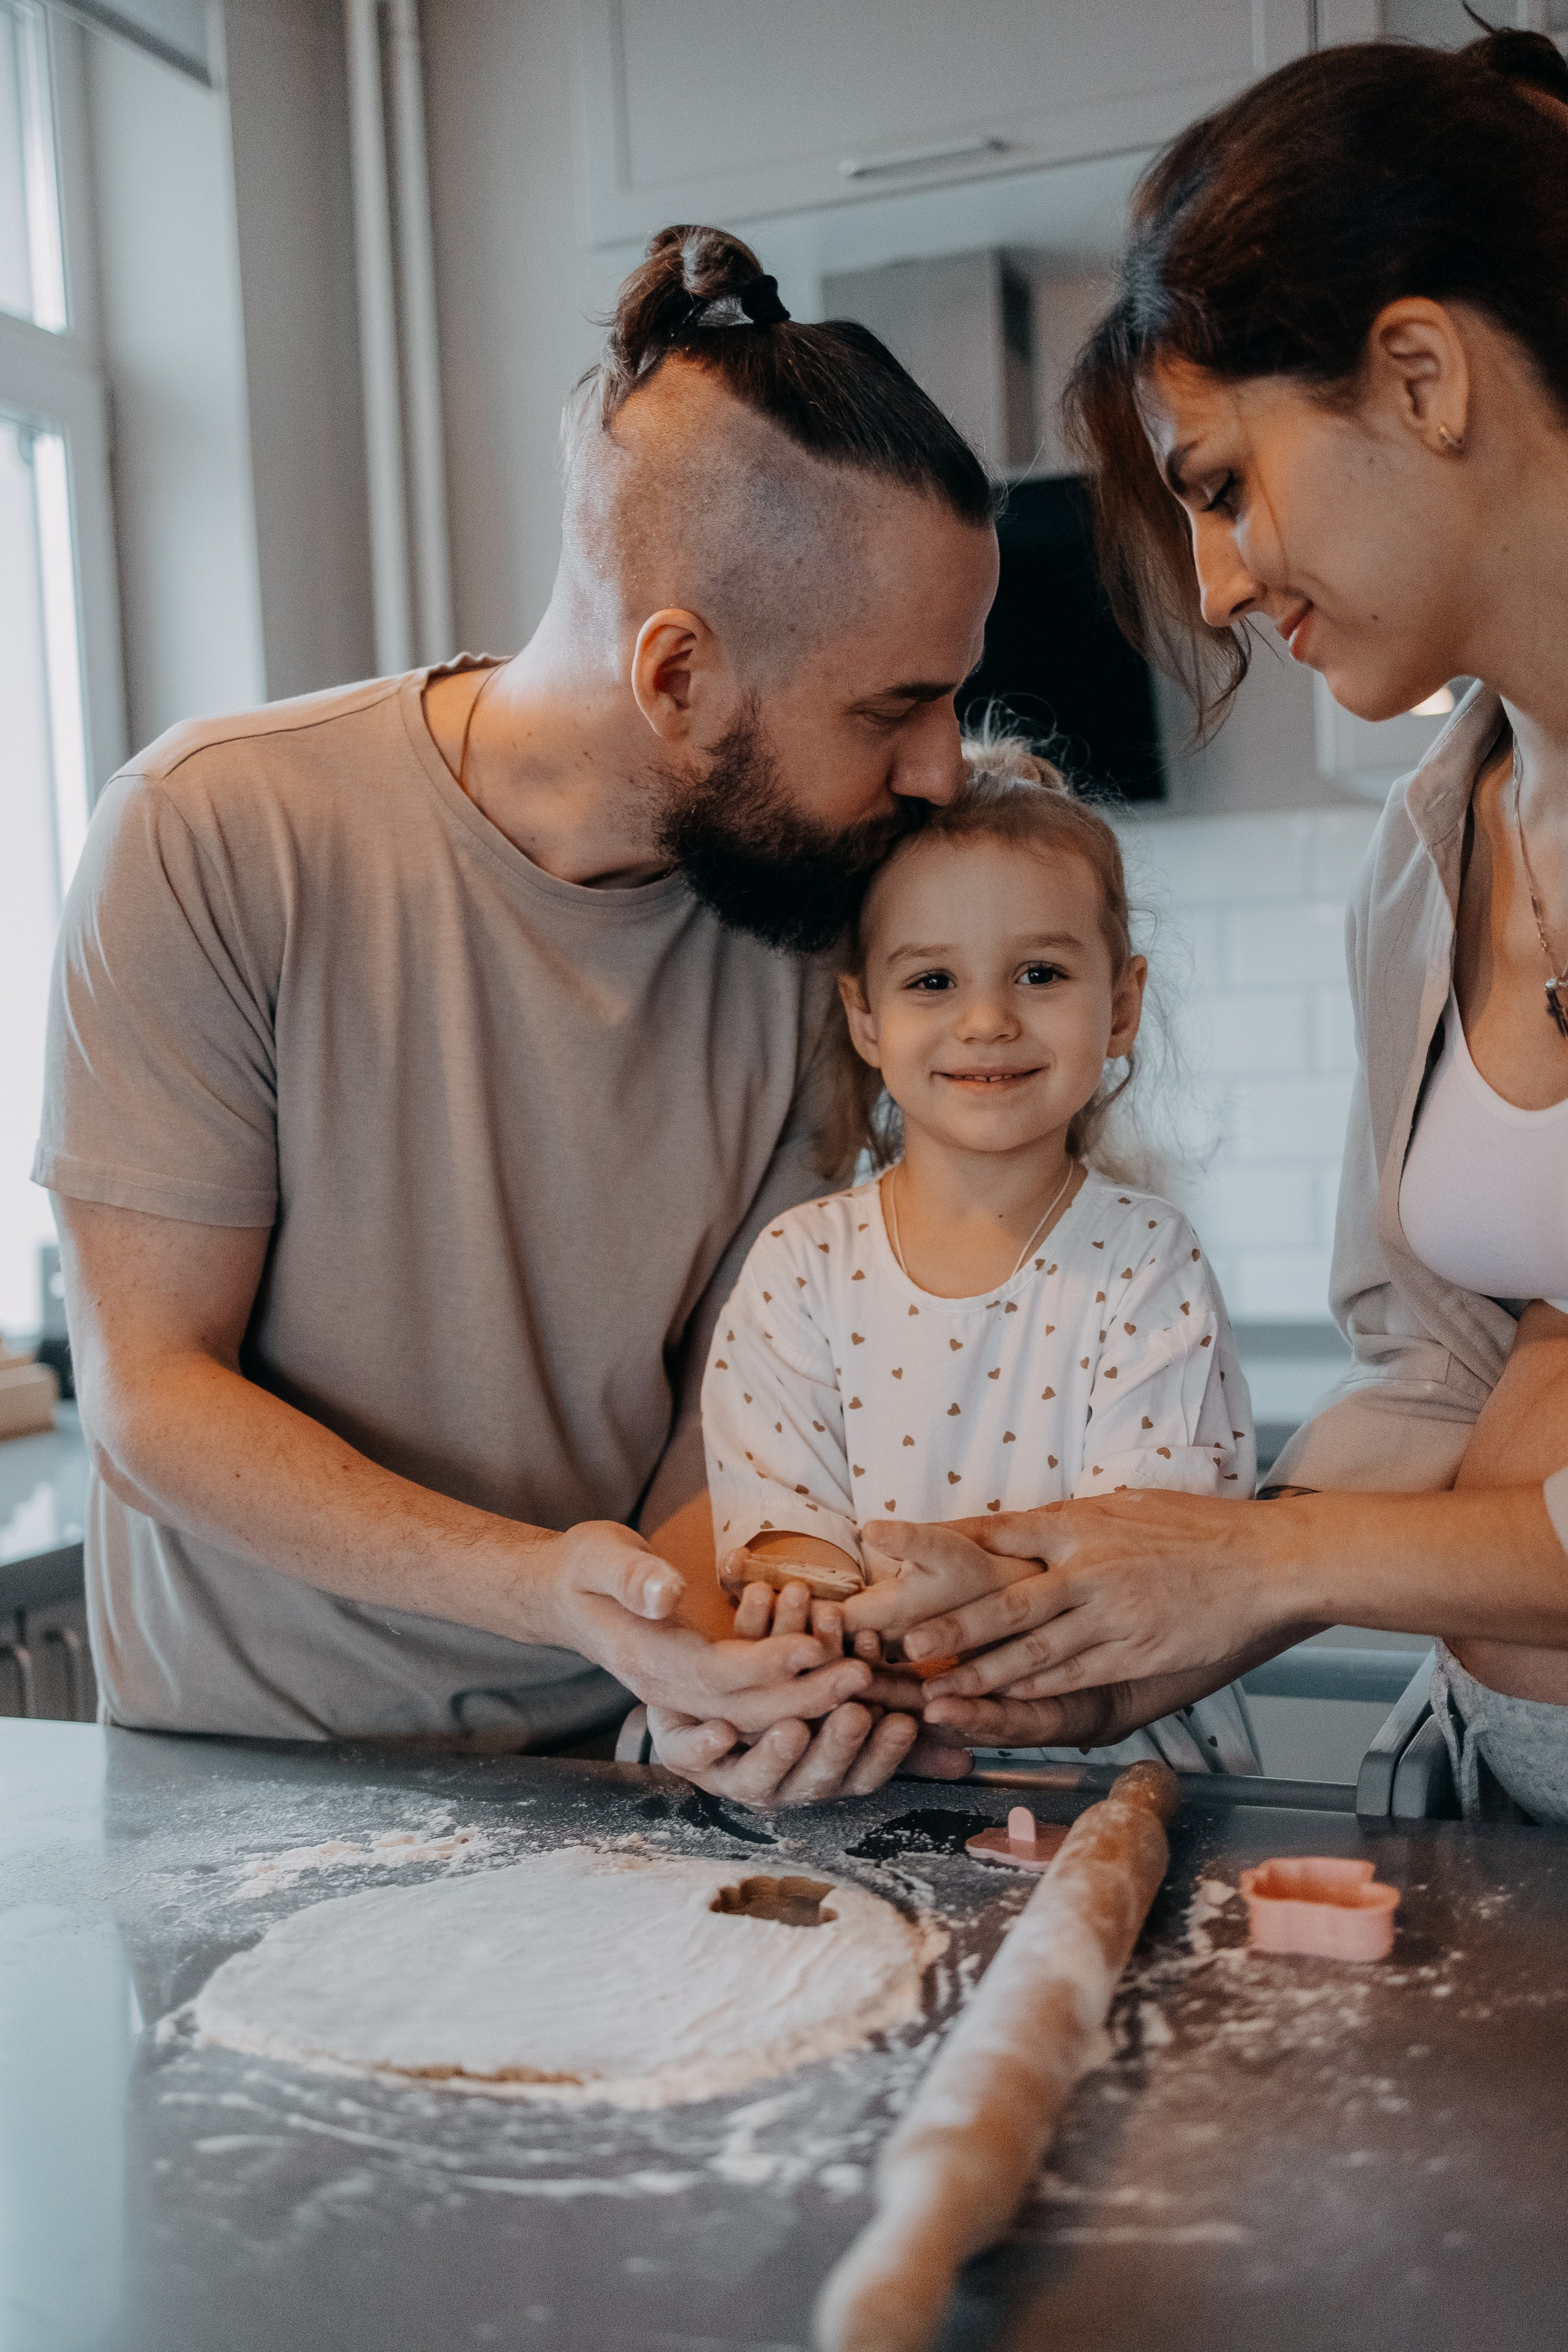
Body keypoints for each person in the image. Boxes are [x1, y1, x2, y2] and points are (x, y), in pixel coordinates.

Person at [35, 222, 997, 1807]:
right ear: (677, 674)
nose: (940, 769)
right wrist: (563, 1594)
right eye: (892, 705)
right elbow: (154, 1402)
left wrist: (700, 1672)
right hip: (246, 1778)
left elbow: (724, 1414)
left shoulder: (793, 925)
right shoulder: (214, 833)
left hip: (617, 1764)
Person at [862, 29, 1568, 1826]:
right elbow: (1445, 1381)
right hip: (1507, 1796)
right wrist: (1110, 1599)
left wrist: (1263, 1567)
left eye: (1225, 483)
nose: (1220, 586)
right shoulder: (1434, 856)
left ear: (1420, 376)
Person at [691, 739, 1259, 1778]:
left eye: (1040, 974)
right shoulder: (800, 1267)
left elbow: (1159, 1544)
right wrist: (810, 1598)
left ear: (1121, 1006)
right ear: (866, 1016)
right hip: (864, 1761)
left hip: (1113, 1767)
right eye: (933, 980)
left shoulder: (1145, 1263)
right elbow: (782, 1521)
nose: (988, 1019)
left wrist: (931, 1598)